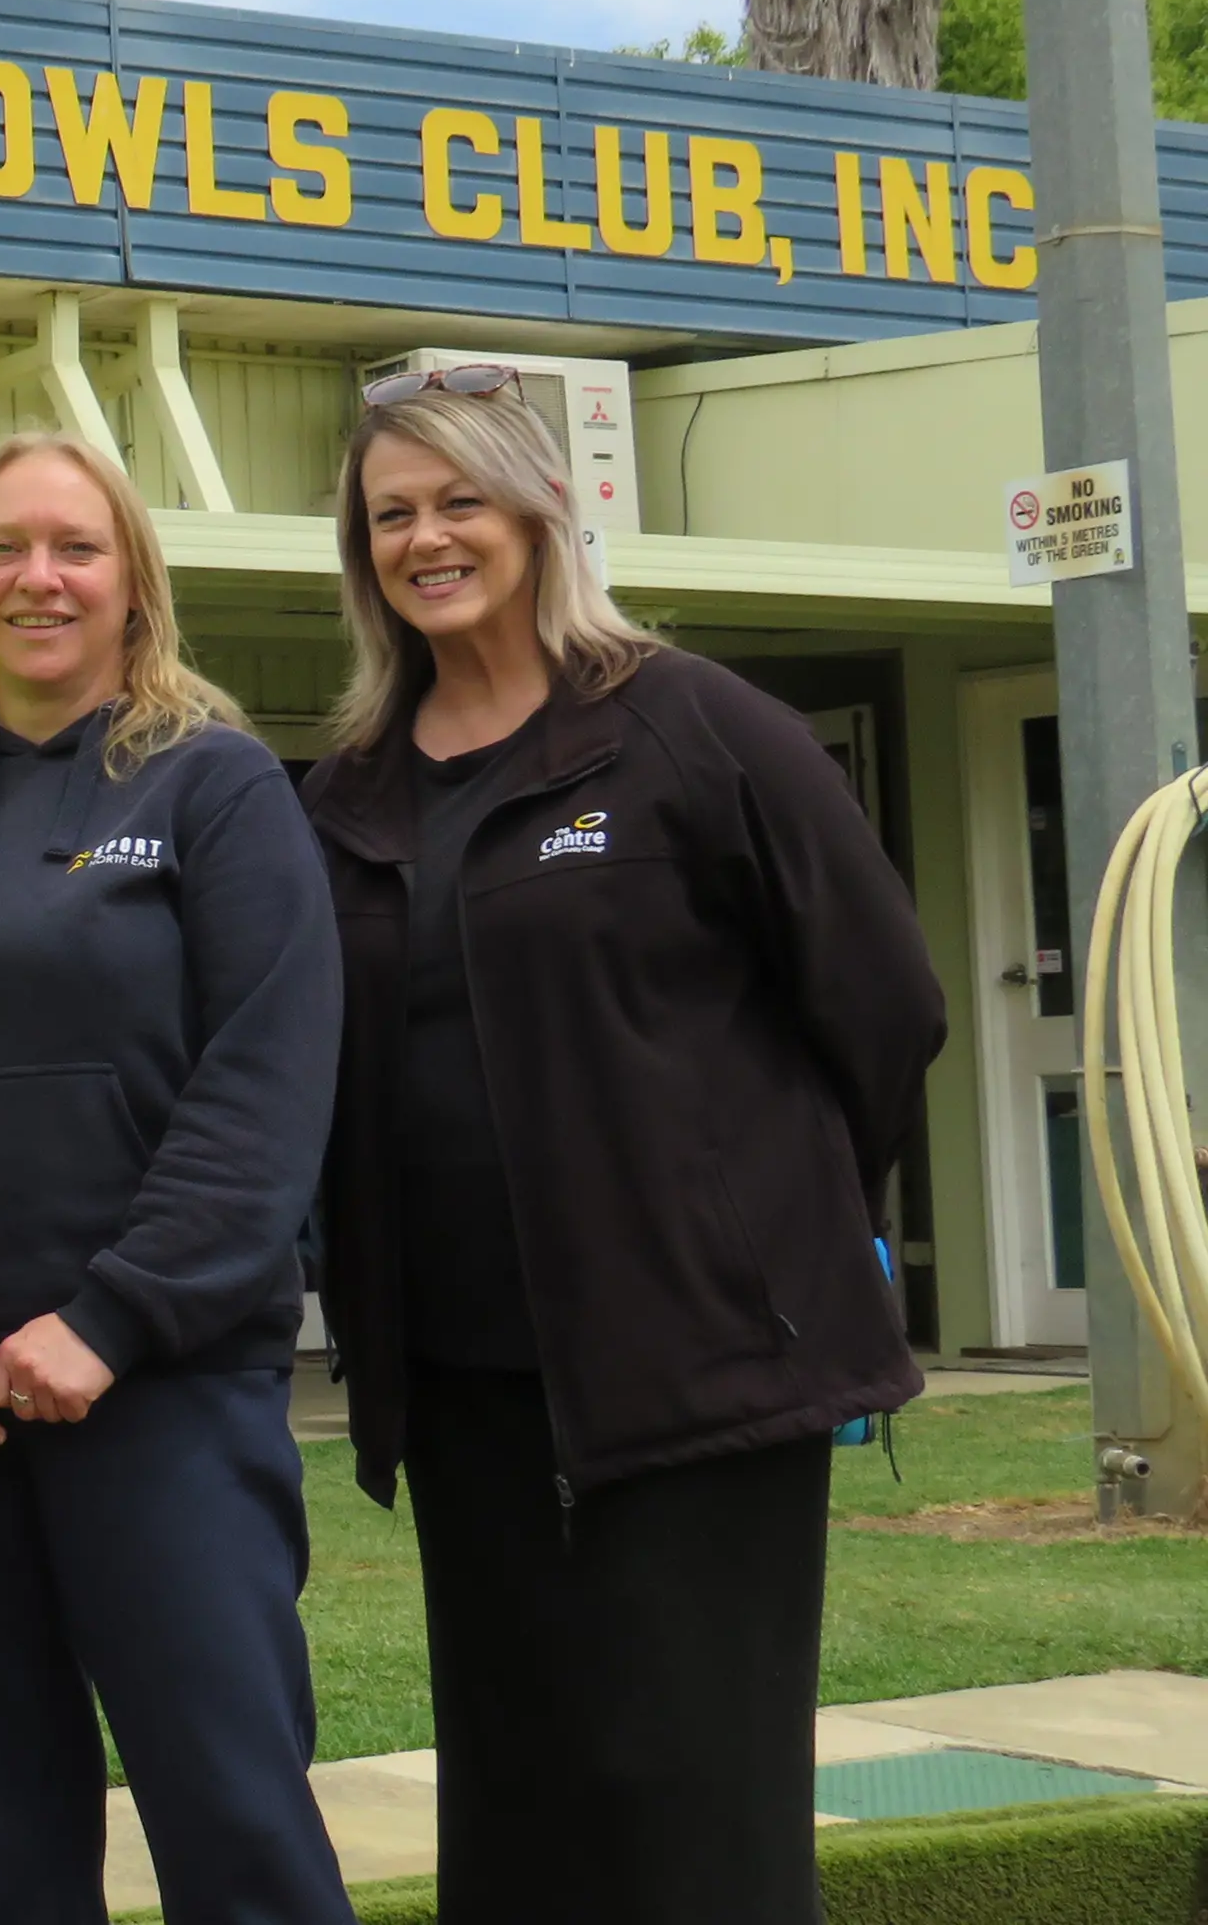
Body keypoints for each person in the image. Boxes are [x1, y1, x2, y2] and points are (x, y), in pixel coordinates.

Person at [299, 370, 945, 1925]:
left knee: (695, 1811)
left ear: (538, 510)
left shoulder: (694, 725)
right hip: (463, 1388)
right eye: (393, 513)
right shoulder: (349, 794)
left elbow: (888, 1005)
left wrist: (755, 1227)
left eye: (458, 500)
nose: (427, 537)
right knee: (522, 1809)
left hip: (704, 1374)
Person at [0, 430, 351, 1925]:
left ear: (133, 586)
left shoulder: (216, 790)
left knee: (235, 1832)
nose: (39, 579)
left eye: (75, 549)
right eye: (4, 549)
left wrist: (110, 1321)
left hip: (161, 1396)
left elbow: (265, 1090)